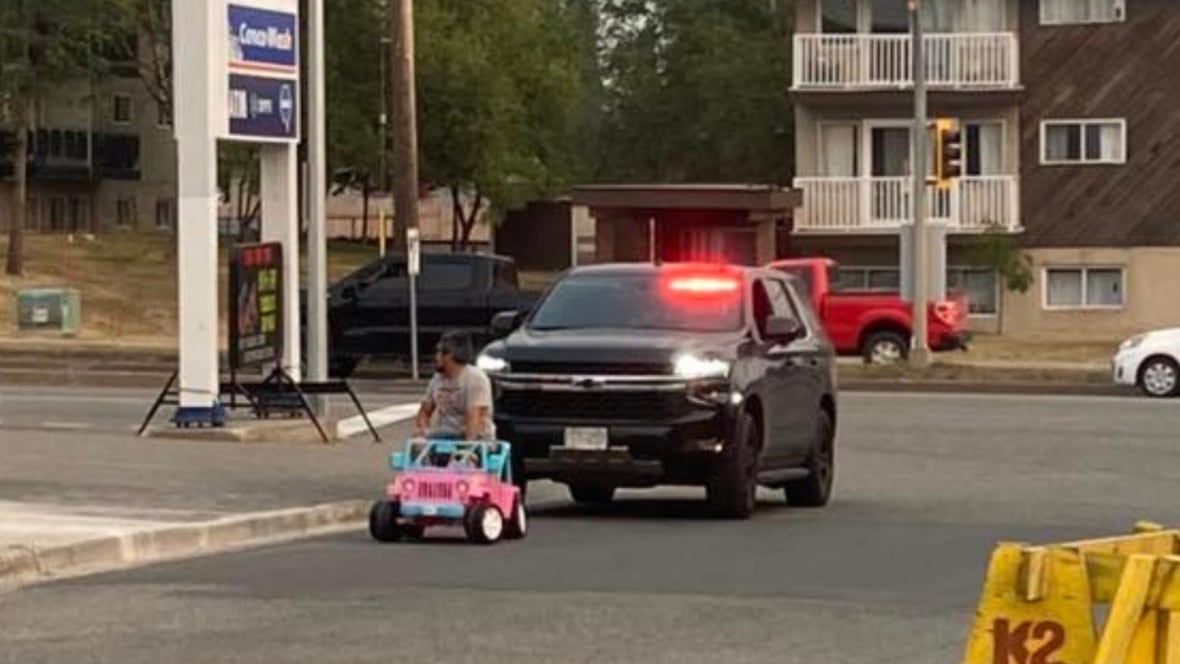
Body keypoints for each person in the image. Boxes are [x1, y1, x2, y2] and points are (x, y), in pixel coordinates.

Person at [412, 330, 497, 445]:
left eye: (439, 352)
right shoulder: (436, 379)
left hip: (477, 437)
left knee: (464, 457)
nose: (436, 357)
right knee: (416, 446)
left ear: (450, 355)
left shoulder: (475, 378)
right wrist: (422, 432)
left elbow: (474, 418)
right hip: (444, 434)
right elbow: (424, 411)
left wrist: (466, 448)